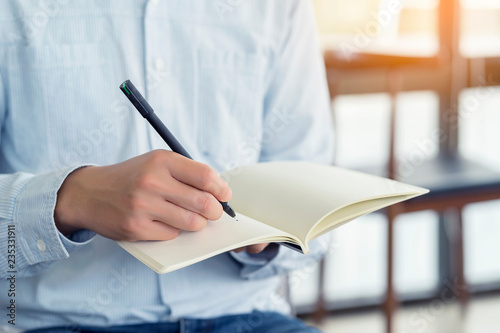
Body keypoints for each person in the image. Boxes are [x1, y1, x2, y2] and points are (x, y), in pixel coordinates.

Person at [0, 0, 334, 332]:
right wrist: (71, 200)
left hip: (248, 315)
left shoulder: (281, 7)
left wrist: (272, 230)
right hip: (55, 323)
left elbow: (313, 193)